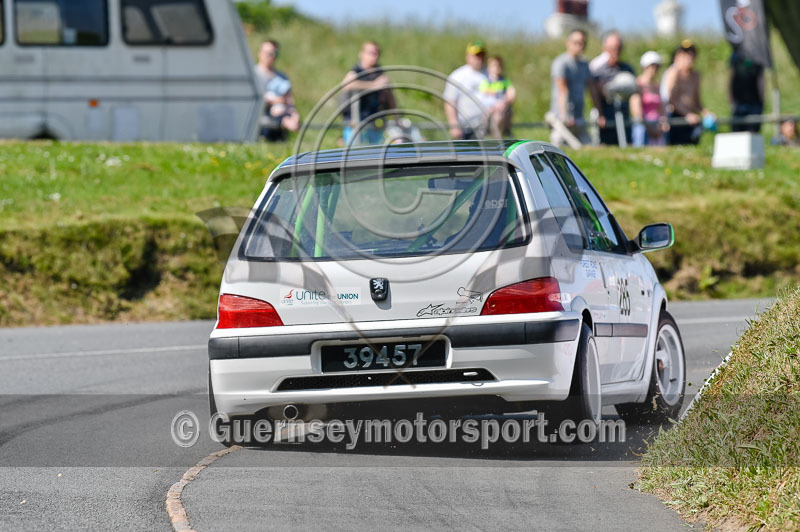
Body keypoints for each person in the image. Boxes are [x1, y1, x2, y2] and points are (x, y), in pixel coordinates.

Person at [341, 41, 396, 146]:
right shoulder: (356, 71)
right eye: (370, 53)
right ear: (361, 54)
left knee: (376, 153)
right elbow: (346, 84)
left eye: (376, 53)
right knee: (355, 155)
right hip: (355, 123)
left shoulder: (380, 73)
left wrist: (396, 117)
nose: (374, 56)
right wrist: (373, 85)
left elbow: (390, 96)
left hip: (374, 123)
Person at [549, 28, 598, 146]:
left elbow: (591, 89)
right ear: (568, 43)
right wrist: (564, 115)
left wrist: (599, 111)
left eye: (582, 43)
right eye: (576, 42)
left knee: (587, 147)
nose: (579, 46)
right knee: (559, 148)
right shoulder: (561, 63)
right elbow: (562, 89)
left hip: (579, 117)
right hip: (561, 118)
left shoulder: (585, 64)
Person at [662, 40, 713, 145]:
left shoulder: (695, 76)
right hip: (675, 117)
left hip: (691, 118)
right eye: (686, 54)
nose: (689, 57)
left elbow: (697, 101)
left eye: (691, 54)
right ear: (678, 56)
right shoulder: (673, 73)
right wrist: (687, 115)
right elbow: (670, 99)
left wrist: (706, 113)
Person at [589, 30, 636, 145]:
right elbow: (594, 93)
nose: (616, 51)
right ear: (605, 48)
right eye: (612, 48)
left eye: (619, 48)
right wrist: (600, 114)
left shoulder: (627, 69)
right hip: (606, 117)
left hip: (625, 116)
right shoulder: (597, 71)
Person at [253, 40, 300, 141]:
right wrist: (276, 101)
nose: (271, 56)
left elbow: (289, 100)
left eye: (274, 54)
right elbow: (254, 100)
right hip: (262, 120)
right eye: (268, 53)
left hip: (282, 117)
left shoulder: (282, 77)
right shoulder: (253, 75)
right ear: (260, 53)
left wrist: (295, 115)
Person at [444, 40, 490, 140]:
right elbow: (450, 102)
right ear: (468, 56)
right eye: (476, 55)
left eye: (482, 55)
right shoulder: (457, 76)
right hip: (465, 128)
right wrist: (454, 126)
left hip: (487, 128)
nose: (480, 58)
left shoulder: (491, 74)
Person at [630, 51, 668, 146]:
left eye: (656, 67)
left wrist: (663, 123)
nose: (654, 70)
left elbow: (661, 108)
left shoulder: (656, 86)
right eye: (651, 66)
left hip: (656, 125)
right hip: (643, 128)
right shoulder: (637, 85)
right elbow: (637, 112)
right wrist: (650, 129)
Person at [479, 56, 516, 138]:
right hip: (489, 108)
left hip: (501, 108)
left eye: (499, 66)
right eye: (494, 66)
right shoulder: (486, 81)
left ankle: (500, 136)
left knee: (500, 116)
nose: (497, 68)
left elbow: (511, 94)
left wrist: (505, 100)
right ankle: (486, 132)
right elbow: (483, 94)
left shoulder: (504, 81)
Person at [729, 51, 765, 133]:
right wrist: (731, 101)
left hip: (755, 102)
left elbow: (761, 79)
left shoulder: (758, 55)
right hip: (738, 102)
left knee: (753, 132)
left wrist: (762, 100)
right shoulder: (735, 57)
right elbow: (731, 79)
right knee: (737, 131)